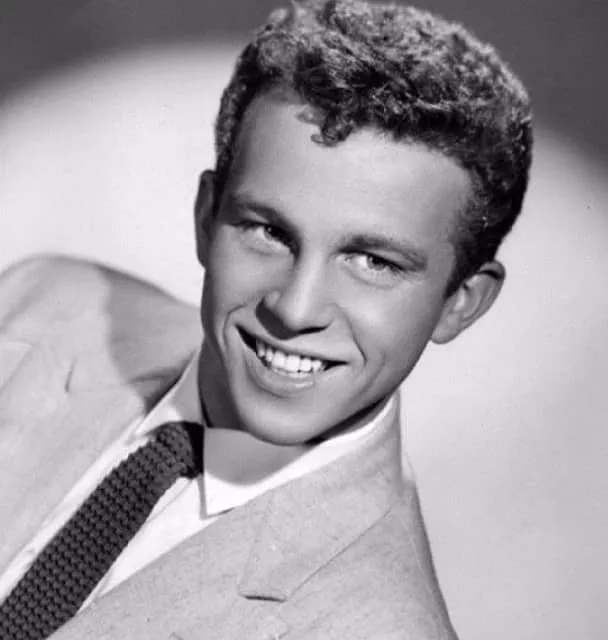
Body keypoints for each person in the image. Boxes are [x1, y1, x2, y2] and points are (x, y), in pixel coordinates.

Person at [0, 0, 532, 638]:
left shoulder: (376, 625)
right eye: (268, 231)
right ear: (206, 218)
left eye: (373, 262)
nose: (295, 309)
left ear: (461, 301)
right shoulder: (42, 301)